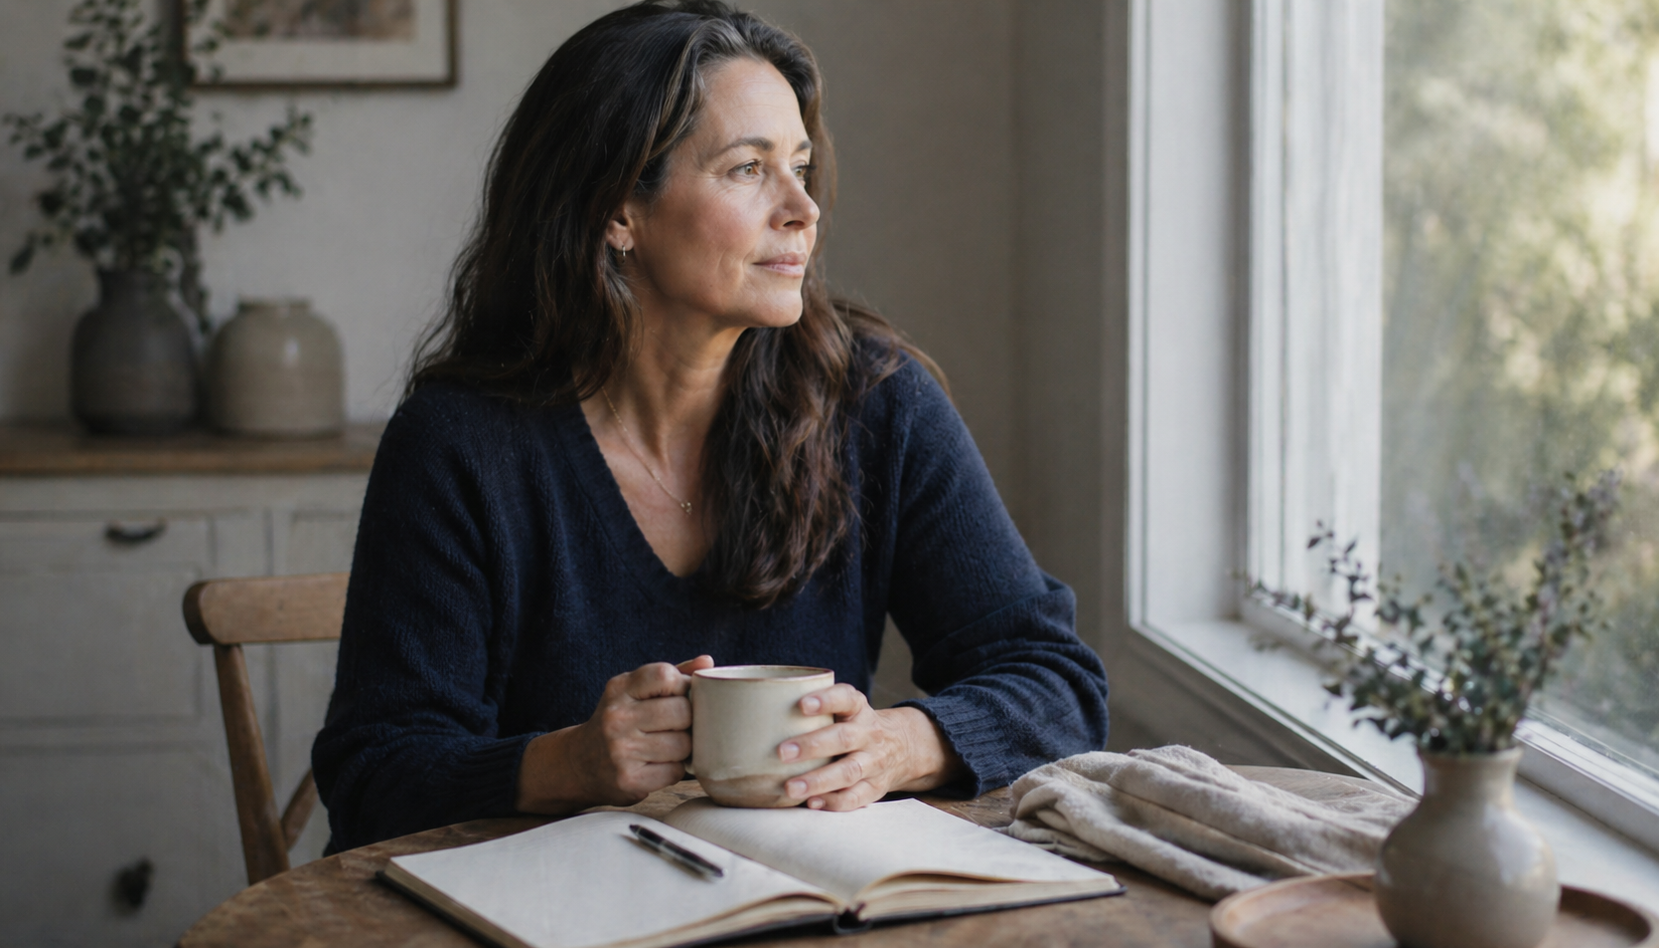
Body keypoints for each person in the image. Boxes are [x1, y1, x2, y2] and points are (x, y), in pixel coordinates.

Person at [312, 0, 1109, 854]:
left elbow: (1057, 682)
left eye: (799, 166)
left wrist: (897, 743)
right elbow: (373, 777)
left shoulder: (874, 402)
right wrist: (566, 764)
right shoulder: (459, 445)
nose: (802, 207)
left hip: (799, 909)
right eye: (746, 169)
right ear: (618, 210)